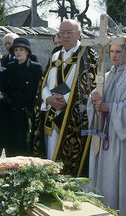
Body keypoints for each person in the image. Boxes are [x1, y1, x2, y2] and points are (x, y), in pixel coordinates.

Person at [32, 19, 97, 176]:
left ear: (79, 34)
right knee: (49, 158)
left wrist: (64, 99)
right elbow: (44, 83)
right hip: (51, 112)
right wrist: (48, 98)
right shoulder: (55, 54)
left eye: (69, 33)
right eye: (62, 32)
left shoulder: (88, 54)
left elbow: (89, 85)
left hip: (72, 116)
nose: (65, 36)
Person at [87, 43, 126, 215]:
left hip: (119, 136)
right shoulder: (106, 76)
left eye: (118, 51)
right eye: (111, 51)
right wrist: (93, 99)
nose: (114, 55)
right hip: (103, 133)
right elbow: (94, 103)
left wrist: (109, 107)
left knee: (117, 176)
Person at [3, 38, 42, 156]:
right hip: (12, 112)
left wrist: (32, 109)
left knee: (26, 145)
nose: (18, 52)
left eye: (21, 50)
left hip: (27, 113)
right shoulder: (9, 67)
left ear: (27, 52)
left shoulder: (35, 68)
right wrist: (7, 98)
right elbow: (5, 87)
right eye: (16, 50)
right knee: (11, 146)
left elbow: (38, 91)